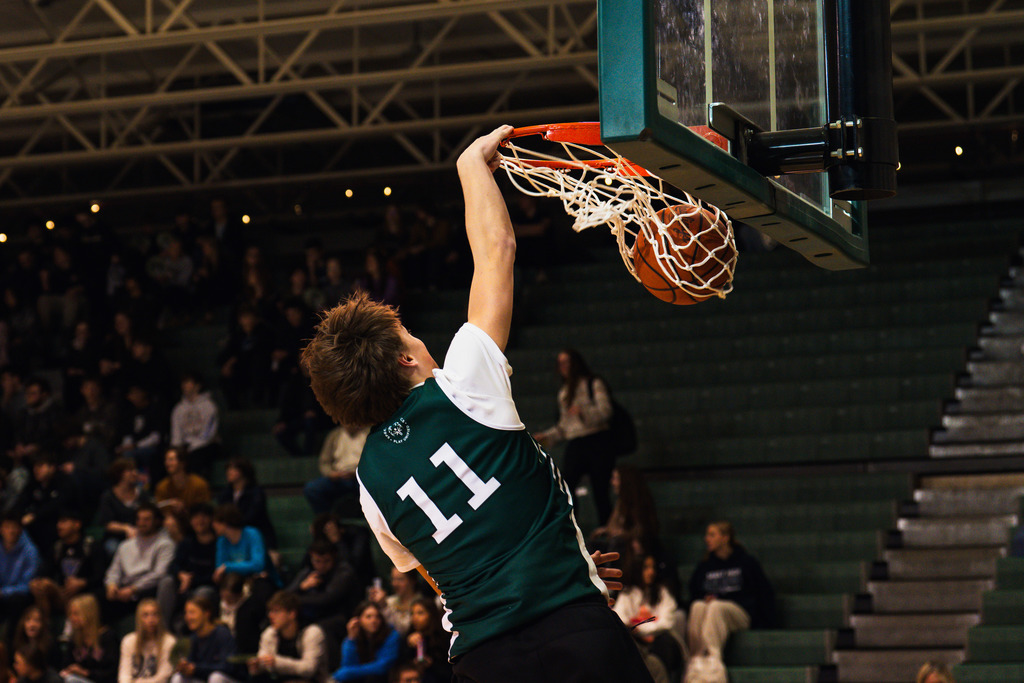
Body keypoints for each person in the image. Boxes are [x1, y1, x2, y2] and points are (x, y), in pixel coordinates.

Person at [301, 126, 648, 683]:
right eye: (410, 335)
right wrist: (470, 165)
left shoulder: (368, 484)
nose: (421, 341)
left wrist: (566, 567)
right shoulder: (463, 384)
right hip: (575, 633)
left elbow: (450, 574)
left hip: (483, 663)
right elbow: (497, 252)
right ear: (404, 361)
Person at [534, 349, 616, 526]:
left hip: (597, 440)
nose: (563, 367)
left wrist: (583, 412)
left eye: (567, 362)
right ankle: (573, 528)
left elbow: (606, 411)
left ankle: (607, 530)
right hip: (577, 442)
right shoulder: (564, 392)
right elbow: (565, 427)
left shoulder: (593, 383)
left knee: (600, 490)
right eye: (560, 363)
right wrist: (546, 437)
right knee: (567, 486)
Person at [687, 522, 775, 667]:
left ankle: (713, 658)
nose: (706, 539)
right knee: (697, 606)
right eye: (706, 535)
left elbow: (762, 593)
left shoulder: (746, 562)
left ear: (725, 538)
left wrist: (765, 623)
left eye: (712, 535)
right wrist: (705, 598)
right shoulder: (704, 566)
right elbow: (694, 593)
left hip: (740, 613)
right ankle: (696, 660)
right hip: (712, 611)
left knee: (716, 606)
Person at [613, 555, 684, 683]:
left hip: (659, 639)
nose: (651, 572)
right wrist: (640, 630)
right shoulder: (628, 594)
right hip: (637, 640)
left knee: (664, 643)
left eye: (653, 567)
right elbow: (621, 620)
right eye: (646, 568)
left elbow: (666, 623)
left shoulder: (662, 592)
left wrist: (640, 628)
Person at [104, 502, 175, 622]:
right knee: (98, 597)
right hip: (123, 589)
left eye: (146, 519)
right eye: (139, 519)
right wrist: (111, 585)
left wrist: (134, 589)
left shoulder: (165, 544)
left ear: (157, 521)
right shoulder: (125, 545)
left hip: (146, 589)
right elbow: (114, 570)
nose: (142, 523)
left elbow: (160, 574)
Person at [29, 509, 104, 618]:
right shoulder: (57, 548)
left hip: (86, 594)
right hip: (62, 594)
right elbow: (45, 572)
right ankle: (44, 625)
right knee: (39, 585)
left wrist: (82, 582)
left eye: (64, 521)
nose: (59, 526)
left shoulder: (91, 546)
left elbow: (101, 575)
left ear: (77, 524)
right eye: (58, 522)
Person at [157, 503, 218, 629]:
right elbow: (173, 565)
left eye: (204, 517)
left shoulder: (219, 543)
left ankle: (196, 632)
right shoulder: (187, 542)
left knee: (203, 592)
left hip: (207, 589)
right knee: (167, 582)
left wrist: (190, 580)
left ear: (211, 519)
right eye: (195, 517)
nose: (199, 521)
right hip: (184, 588)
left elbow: (215, 576)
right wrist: (181, 575)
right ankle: (163, 631)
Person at [247, 591, 329, 683]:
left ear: (292, 614)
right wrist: (258, 667)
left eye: (276, 611)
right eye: (270, 611)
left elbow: (309, 669)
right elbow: (266, 663)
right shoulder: (270, 633)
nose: (270, 616)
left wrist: (277, 662)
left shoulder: (312, 632)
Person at [285, 540, 360, 629]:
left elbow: (326, 599)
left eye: (326, 561)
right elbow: (284, 597)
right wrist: (301, 587)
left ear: (334, 557)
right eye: (317, 561)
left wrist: (296, 599)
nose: (321, 565)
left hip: (339, 618)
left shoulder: (344, 572)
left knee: (313, 631)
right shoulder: (308, 572)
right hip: (311, 618)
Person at [303, 426, 368, 516]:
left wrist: (359, 472)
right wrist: (331, 474)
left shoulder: (368, 433)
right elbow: (324, 462)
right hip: (339, 477)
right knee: (312, 488)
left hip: (362, 477)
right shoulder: (335, 435)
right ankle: (327, 520)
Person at [171, 594, 235, 683]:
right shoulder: (193, 638)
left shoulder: (222, 634)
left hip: (226, 679)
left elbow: (228, 667)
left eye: (192, 612)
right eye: (186, 613)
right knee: (178, 677)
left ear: (206, 613)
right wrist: (185, 667)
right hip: (204, 679)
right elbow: (192, 666)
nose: (188, 617)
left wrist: (197, 669)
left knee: (216, 678)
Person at [215, 458, 276, 551]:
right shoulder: (224, 494)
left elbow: (254, 515)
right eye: (228, 468)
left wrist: (235, 524)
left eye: (233, 468)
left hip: (255, 533)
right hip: (231, 535)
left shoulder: (256, 492)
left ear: (244, 471)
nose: (229, 471)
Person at [330, 602, 399, 683]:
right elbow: (348, 665)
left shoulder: (391, 635)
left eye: (377, 617)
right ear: (358, 620)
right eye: (368, 617)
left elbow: (383, 666)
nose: (374, 621)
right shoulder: (354, 637)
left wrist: (349, 672)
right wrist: (351, 639)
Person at [169, 375, 220, 479]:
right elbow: (176, 433)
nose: (185, 386)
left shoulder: (209, 405)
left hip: (207, 444)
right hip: (186, 445)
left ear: (197, 386)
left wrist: (193, 446)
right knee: (172, 457)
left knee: (196, 456)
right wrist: (177, 448)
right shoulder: (178, 408)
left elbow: (209, 433)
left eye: (188, 383)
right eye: (183, 383)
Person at [96, 459, 149, 559]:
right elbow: (107, 523)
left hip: (141, 534)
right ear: (119, 474)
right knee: (113, 548)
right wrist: (126, 528)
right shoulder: (108, 497)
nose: (135, 473)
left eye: (135, 470)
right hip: (116, 537)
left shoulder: (142, 494)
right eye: (130, 470)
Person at [59, 595, 118, 683]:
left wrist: (86, 673)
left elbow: (112, 672)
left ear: (89, 614)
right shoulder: (75, 639)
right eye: (70, 614)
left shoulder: (108, 637)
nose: (72, 618)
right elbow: (66, 665)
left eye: (76, 614)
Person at [118, 599, 176, 683]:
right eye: (145, 615)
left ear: (160, 617)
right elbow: (124, 674)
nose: (151, 620)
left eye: (155, 614)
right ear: (139, 619)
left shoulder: (169, 641)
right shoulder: (128, 641)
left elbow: (163, 676)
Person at [0, 511, 40, 633]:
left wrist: (3, 592)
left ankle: (11, 643)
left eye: (14, 527)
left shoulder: (30, 552)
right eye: (7, 527)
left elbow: (28, 585)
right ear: (1, 529)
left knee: (17, 601)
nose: (11, 531)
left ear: (20, 529)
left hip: (19, 596)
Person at [399, 598, 451, 683]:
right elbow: (399, 666)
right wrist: (407, 645)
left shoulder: (443, 637)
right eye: (412, 613)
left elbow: (449, 671)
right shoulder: (409, 636)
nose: (415, 618)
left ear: (431, 614)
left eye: (420, 613)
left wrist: (431, 664)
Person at [153, 449, 211, 516]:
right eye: (166, 460)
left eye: (171, 460)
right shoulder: (162, 486)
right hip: (172, 519)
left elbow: (205, 509)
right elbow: (159, 509)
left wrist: (184, 508)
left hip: (194, 519)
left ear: (182, 463)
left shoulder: (199, 484)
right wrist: (170, 504)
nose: (167, 463)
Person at [366, 569, 419, 637]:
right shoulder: (389, 601)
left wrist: (384, 606)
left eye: (400, 579)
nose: (395, 584)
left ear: (412, 581)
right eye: (393, 579)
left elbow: (404, 631)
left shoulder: (420, 604)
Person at [8, 605, 59, 671]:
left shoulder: (51, 645)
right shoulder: (16, 643)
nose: (32, 624)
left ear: (43, 624)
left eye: (37, 620)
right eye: (28, 620)